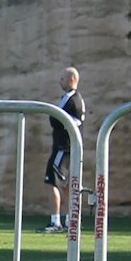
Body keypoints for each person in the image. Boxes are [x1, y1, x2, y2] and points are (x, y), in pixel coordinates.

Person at [40, 67, 86, 233]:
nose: (60, 81)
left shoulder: (73, 100)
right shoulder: (69, 98)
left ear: (71, 79)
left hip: (63, 148)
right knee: (66, 185)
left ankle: (56, 221)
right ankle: (70, 221)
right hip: (63, 148)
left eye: (62, 78)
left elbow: (64, 122)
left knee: (51, 181)